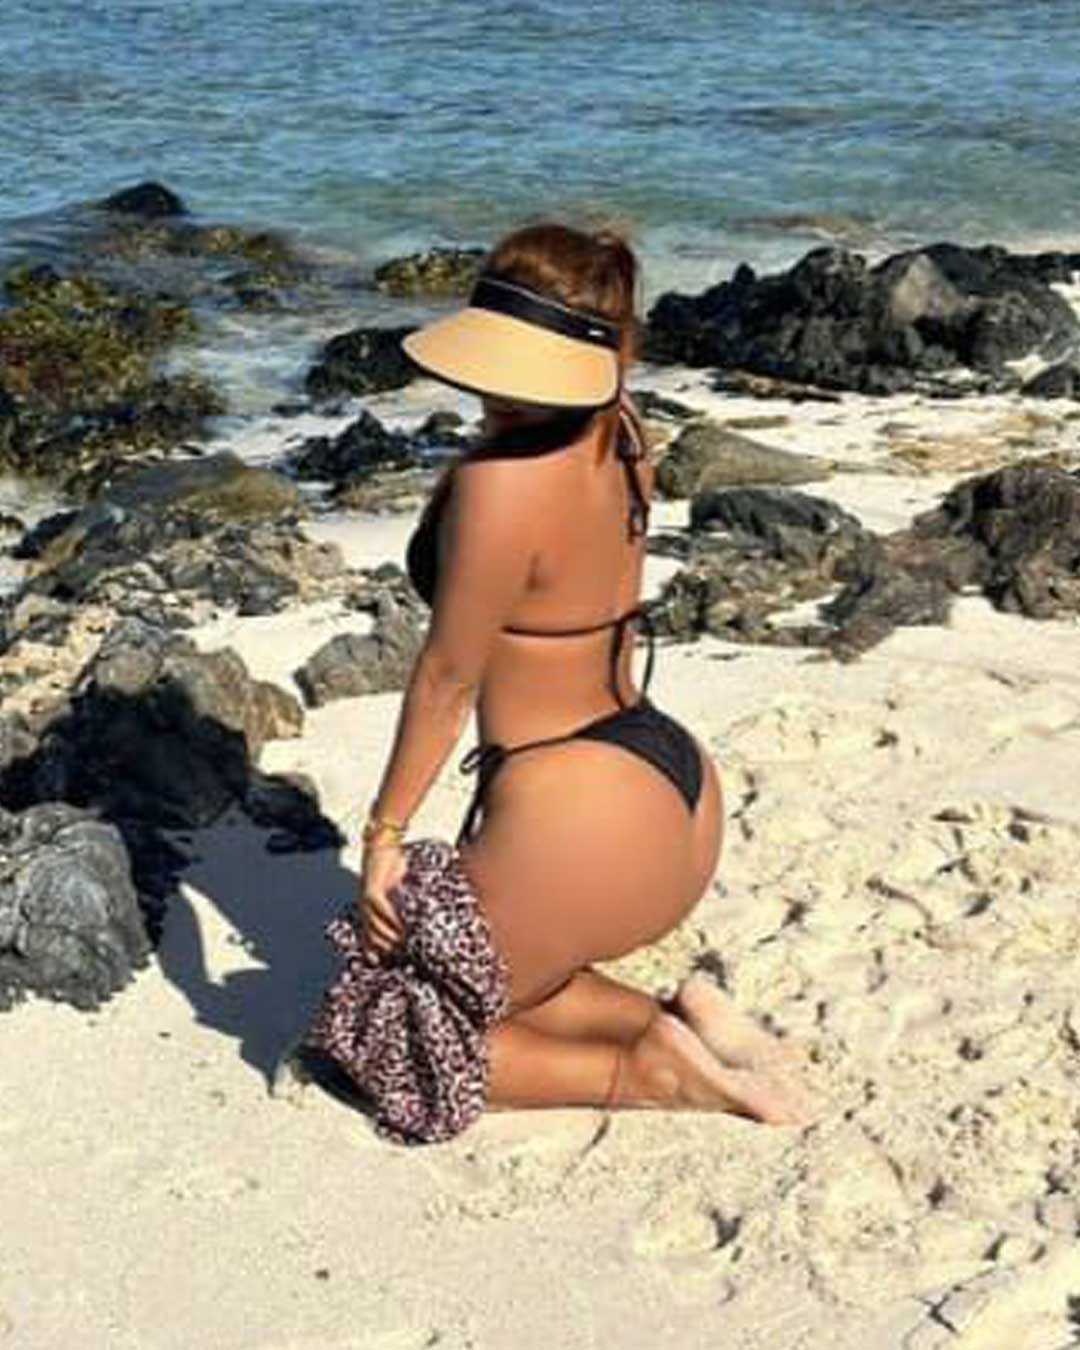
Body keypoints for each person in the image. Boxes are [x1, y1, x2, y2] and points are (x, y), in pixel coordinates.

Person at [295, 223, 810, 1143]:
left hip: (575, 816)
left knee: (381, 1038)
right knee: (498, 979)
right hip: (670, 789)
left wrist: (384, 836)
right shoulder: (626, 433)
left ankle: (648, 1072)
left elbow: (448, 678)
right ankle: (678, 1017)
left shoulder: (502, 485)